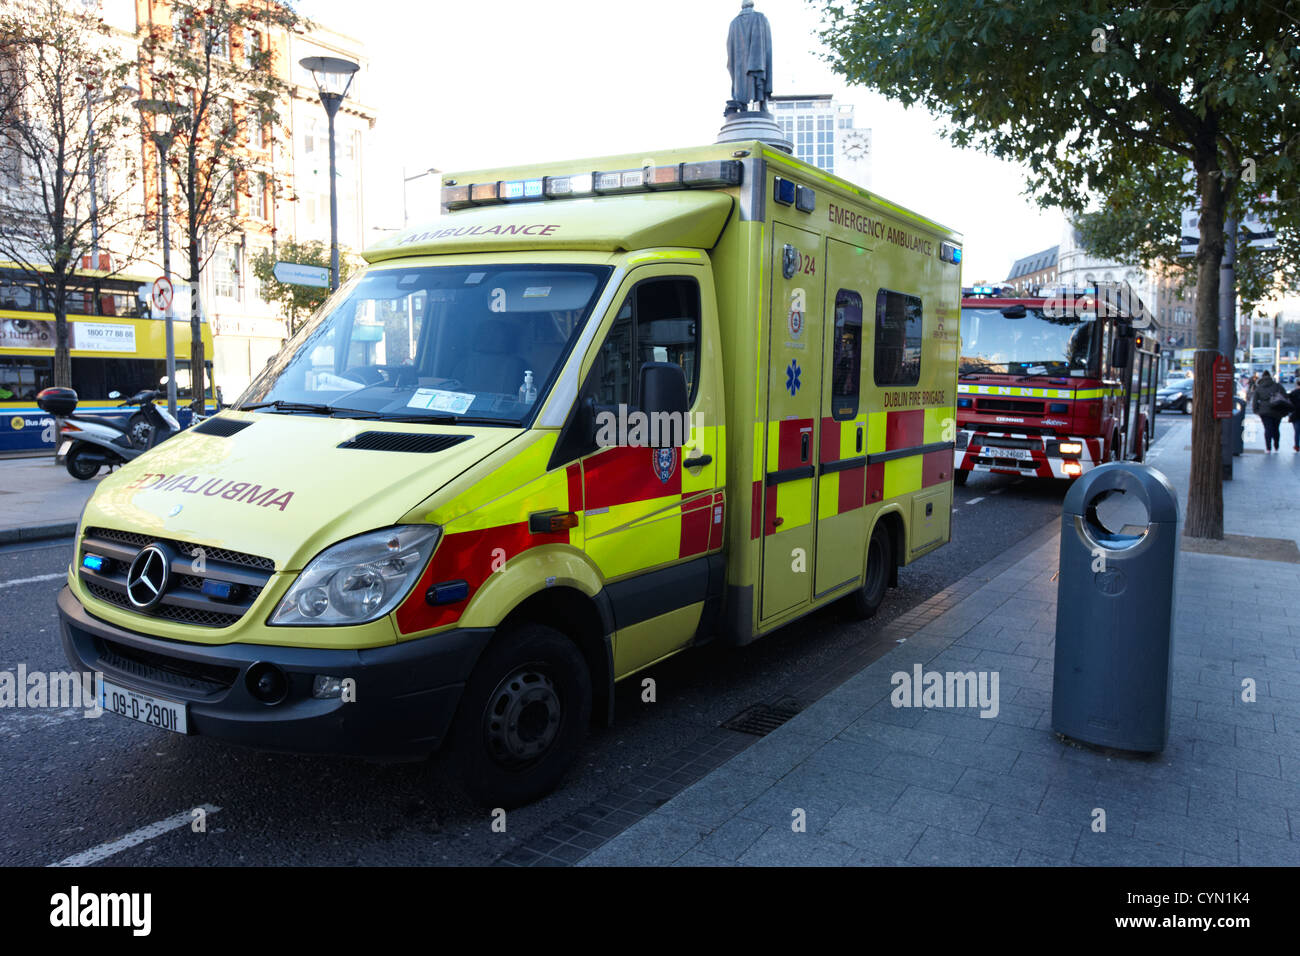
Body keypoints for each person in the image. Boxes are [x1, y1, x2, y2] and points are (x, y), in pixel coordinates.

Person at [1252, 370, 1291, 453]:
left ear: (1262, 378)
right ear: (1270, 377)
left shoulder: (1259, 388)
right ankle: (1276, 445)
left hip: (1264, 411)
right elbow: (1285, 396)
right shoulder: (1277, 386)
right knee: (1276, 428)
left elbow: (1255, 401)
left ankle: (1268, 448)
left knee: (1267, 429)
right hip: (1277, 410)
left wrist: (1256, 410)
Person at [1289, 380, 1300, 452]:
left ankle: (1296, 446)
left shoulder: (1293, 393)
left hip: (1295, 414)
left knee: (1297, 431)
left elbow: (1289, 404)